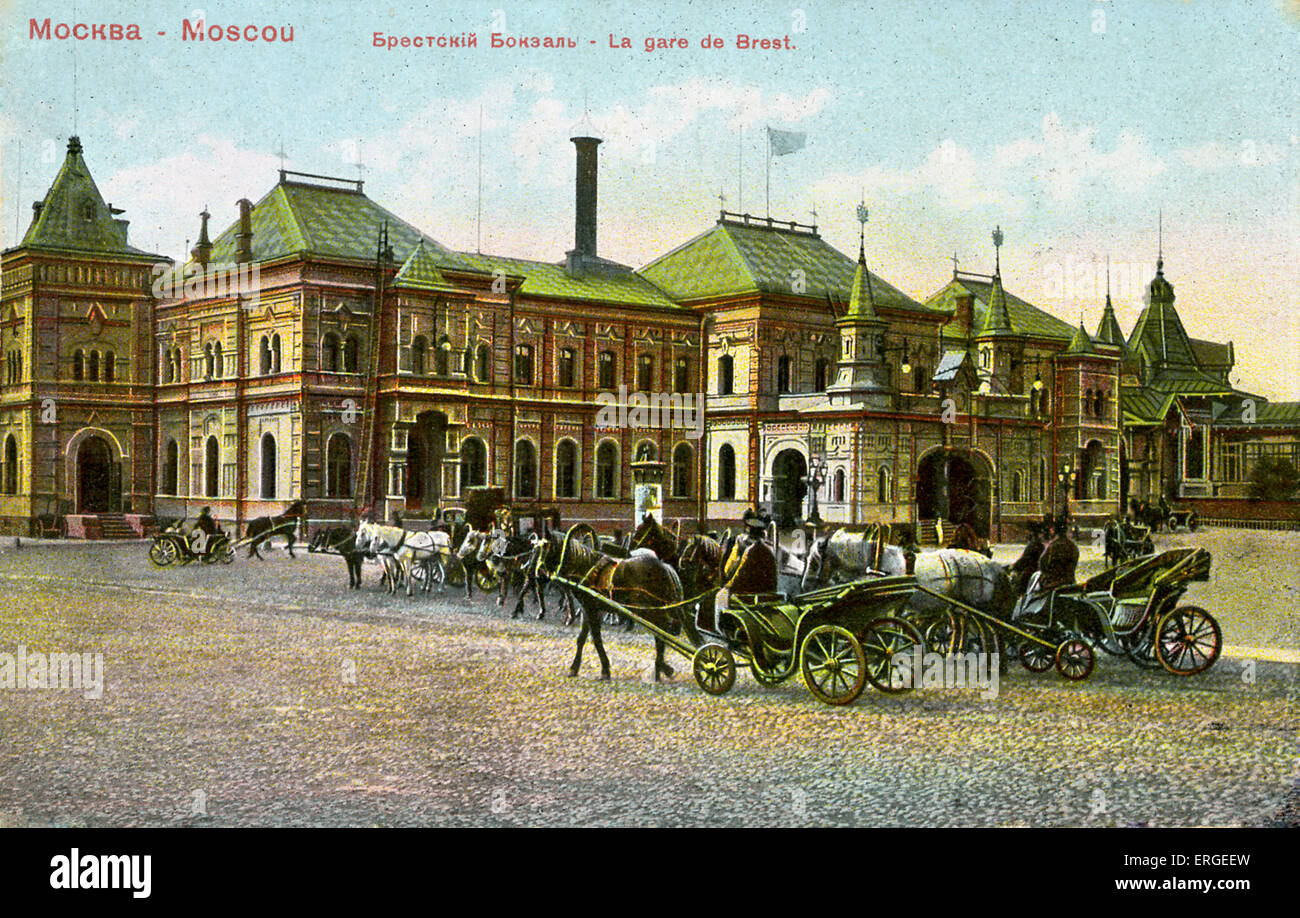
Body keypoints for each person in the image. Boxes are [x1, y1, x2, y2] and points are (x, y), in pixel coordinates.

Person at [1037, 515, 1079, 592]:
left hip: (1052, 584)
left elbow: (1043, 564)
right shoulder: (1073, 546)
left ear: (1054, 531)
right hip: (1069, 582)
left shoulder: (1052, 547)